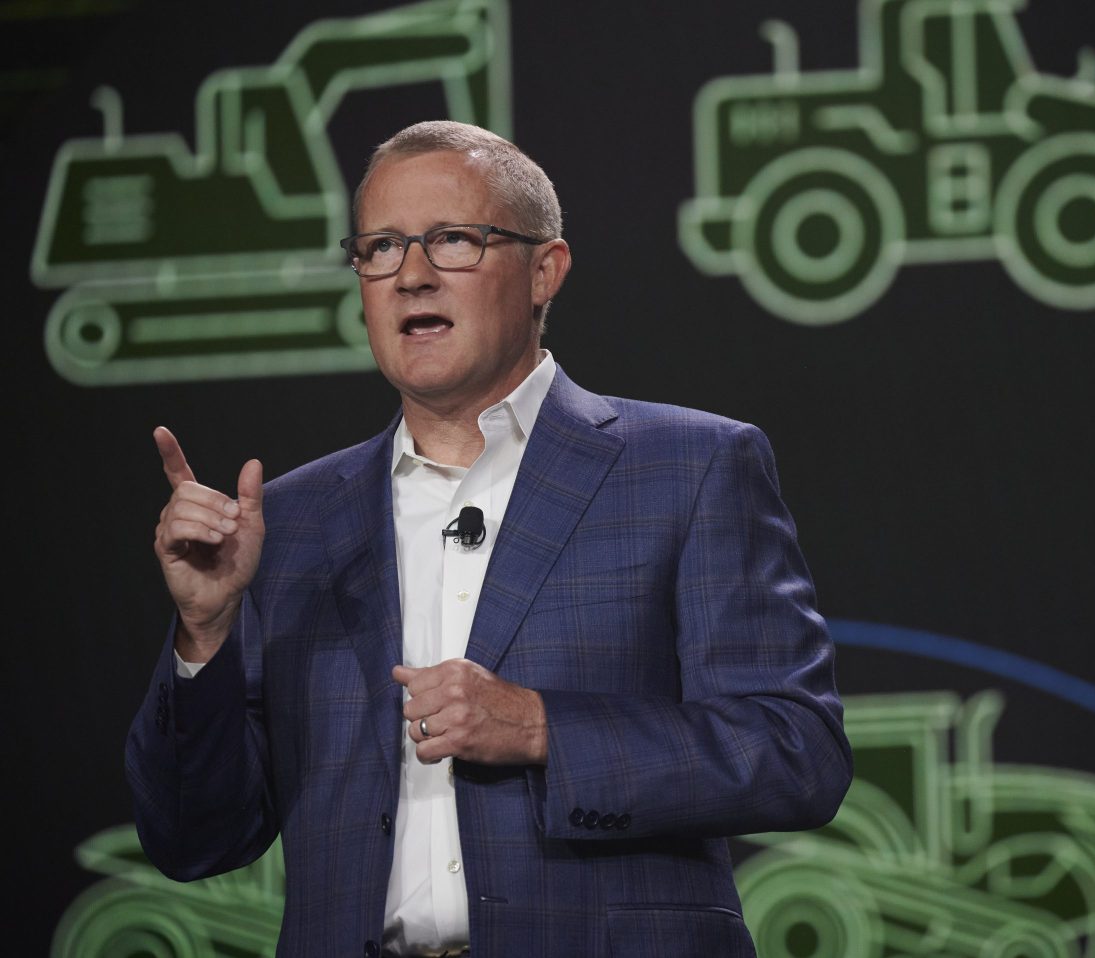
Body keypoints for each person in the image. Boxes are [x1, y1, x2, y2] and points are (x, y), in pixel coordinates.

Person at [127, 120, 852, 957]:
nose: (411, 275)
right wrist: (205, 636)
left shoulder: (689, 469)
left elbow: (796, 753)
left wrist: (544, 728)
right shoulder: (289, 524)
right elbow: (193, 839)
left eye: (453, 240)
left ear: (545, 271)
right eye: (381, 247)